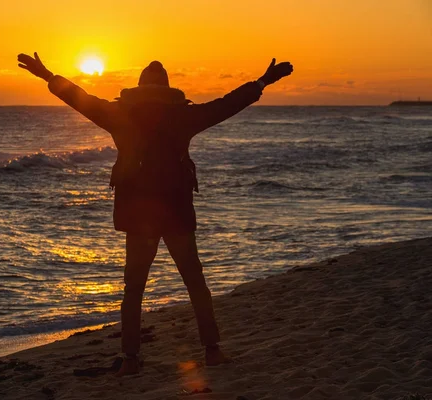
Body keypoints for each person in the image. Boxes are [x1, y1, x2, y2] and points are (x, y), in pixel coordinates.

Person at [17, 52, 293, 376]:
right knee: (195, 283)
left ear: (138, 86)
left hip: (138, 216)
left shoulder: (119, 114)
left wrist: (46, 74)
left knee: (134, 289)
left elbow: (79, 98)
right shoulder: (183, 117)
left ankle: (131, 359)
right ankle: (213, 351)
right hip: (176, 212)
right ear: (167, 87)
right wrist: (262, 81)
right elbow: (226, 105)